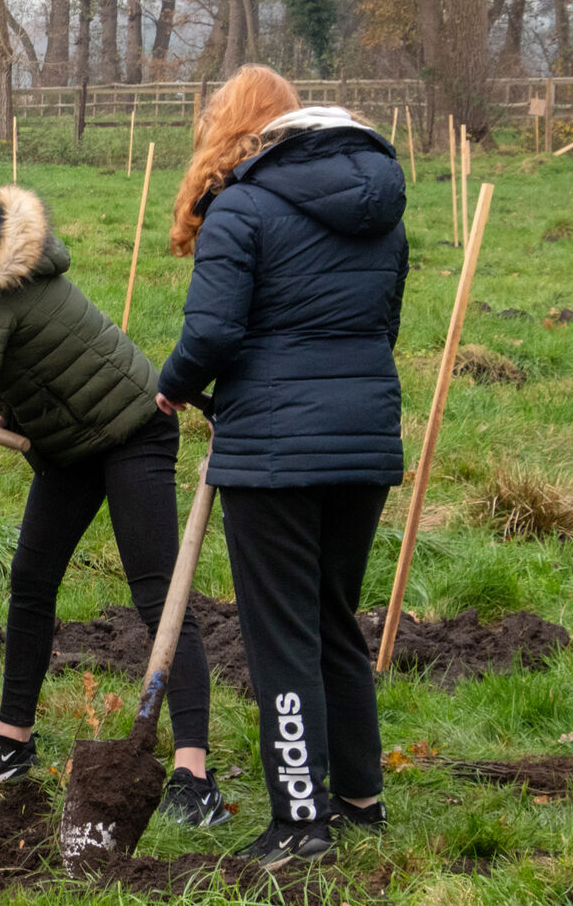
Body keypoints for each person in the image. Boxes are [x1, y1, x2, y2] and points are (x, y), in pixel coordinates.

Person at [0, 180, 226, 825]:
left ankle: (192, 773)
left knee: (159, 594)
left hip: (130, 429)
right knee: (31, 580)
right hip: (70, 442)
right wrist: (8, 405)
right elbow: (24, 366)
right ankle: (13, 742)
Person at [156, 67, 407, 866]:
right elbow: (383, 325)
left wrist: (172, 388)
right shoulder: (381, 213)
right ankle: (359, 800)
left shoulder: (242, 207)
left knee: (281, 631)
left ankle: (300, 818)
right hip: (363, 443)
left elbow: (215, 333)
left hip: (272, 451)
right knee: (336, 616)